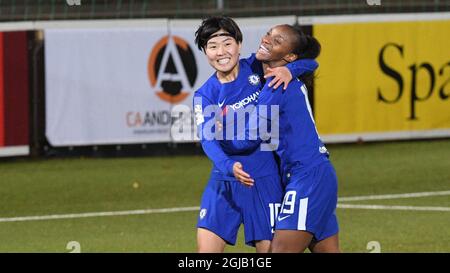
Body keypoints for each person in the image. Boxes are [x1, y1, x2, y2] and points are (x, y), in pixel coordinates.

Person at [193, 16, 318, 253]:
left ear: (239, 45)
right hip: (225, 180)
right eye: (212, 46)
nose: (221, 52)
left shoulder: (256, 66)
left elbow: (311, 63)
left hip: (265, 179)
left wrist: (290, 70)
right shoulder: (205, 95)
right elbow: (208, 141)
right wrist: (229, 167)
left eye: (227, 43)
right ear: (205, 51)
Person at [222, 24, 340, 253]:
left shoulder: (275, 87)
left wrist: (218, 136)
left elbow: (248, 139)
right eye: (268, 34)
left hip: (308, 179)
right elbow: (311, 62)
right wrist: (292, 69)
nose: (266, 40)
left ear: (289, 56)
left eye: (276, 41)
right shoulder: (283, 77)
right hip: (313, 174)